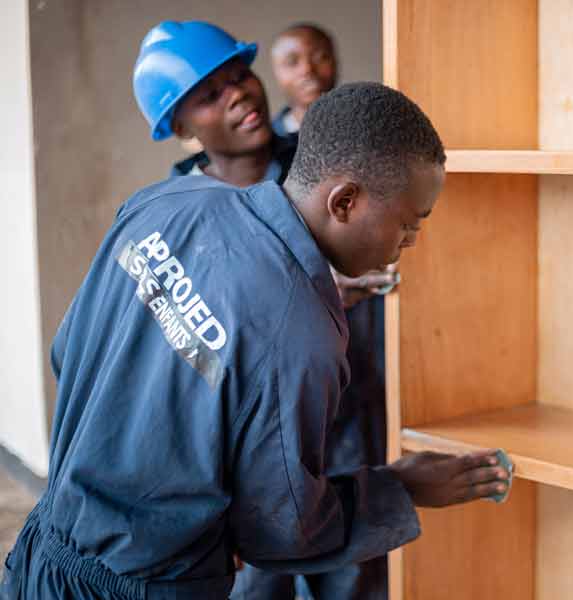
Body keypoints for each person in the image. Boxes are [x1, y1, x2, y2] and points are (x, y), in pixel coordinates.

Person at [0, 48, 511, 600]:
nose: (410, 242)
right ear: (344, 201)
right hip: (148, 587)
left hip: (45, 548)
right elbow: (281, 530)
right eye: (410, 223)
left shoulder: (167, 201)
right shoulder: (305, 333)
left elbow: (68, 350)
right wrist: (400, 487)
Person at [231, 23, 395, 600]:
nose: (309, 69)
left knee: (352, 474)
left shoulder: (367, 139)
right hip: (290, 344)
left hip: (357, 346)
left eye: (319, 55)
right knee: (275, 487)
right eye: (293, 60)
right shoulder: (261, 151)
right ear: (276, 73)